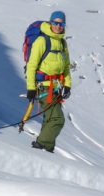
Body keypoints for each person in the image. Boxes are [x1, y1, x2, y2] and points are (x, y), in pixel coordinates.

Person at [24, 10, 72, 153]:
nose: (58, 26)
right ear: (50, 23)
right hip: (44, 88)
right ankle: (40, 145)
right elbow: (31, 66)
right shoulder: (42, 41)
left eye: (61, 23)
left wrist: (67, 85)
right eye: (55, 23)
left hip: (56, 88)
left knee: (49, 119)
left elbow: (66, 67)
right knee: (57, 119)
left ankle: (47, 150)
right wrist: (31, 88)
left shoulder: (62, 43)